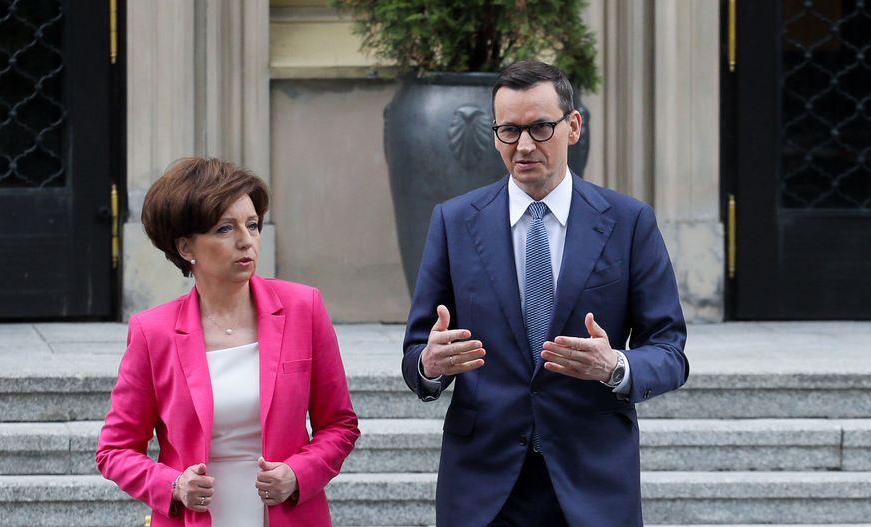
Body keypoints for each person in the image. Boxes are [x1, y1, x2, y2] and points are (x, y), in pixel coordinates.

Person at [402, 61, 689, 526]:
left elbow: (670, 351)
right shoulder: (454, 222)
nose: (524, 145)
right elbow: (416, 352)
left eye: (539, 127)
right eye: (509, 131)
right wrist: (429, 365)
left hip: (591, 480)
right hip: (483, 484)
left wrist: (615, 366)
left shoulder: (628, 222)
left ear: (572, 127)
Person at [97, 157, 360, 527]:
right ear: (186, 247)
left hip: (288, 516)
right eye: (225, 229)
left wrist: (297, 473)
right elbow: (115, 449)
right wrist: (174, 485)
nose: (246, 241)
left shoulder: (304, 308)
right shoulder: (152, 332)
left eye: (252, 225)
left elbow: (340, 424)